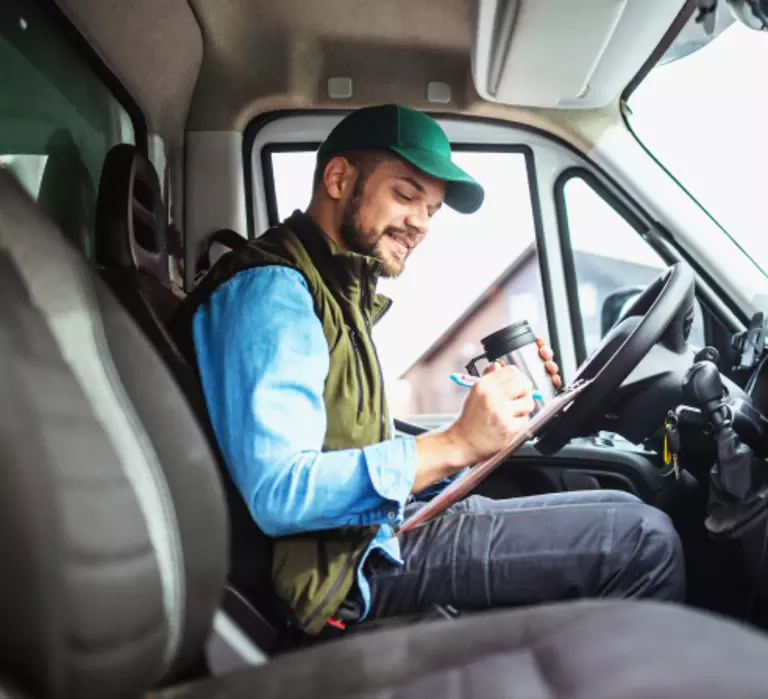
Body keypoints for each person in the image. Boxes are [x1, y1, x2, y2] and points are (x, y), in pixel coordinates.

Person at [183, 104, 685, 636]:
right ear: (338, 178)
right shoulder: (273, 291)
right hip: (343, 579)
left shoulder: (335, 291)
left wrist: (509, 412)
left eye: (432, 210)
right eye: (405, 194)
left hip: (375, 536)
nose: (420, 224)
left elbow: (348, 441)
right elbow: (281, 492)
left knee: (622, 505)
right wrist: (454, 444)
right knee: (641, 540)